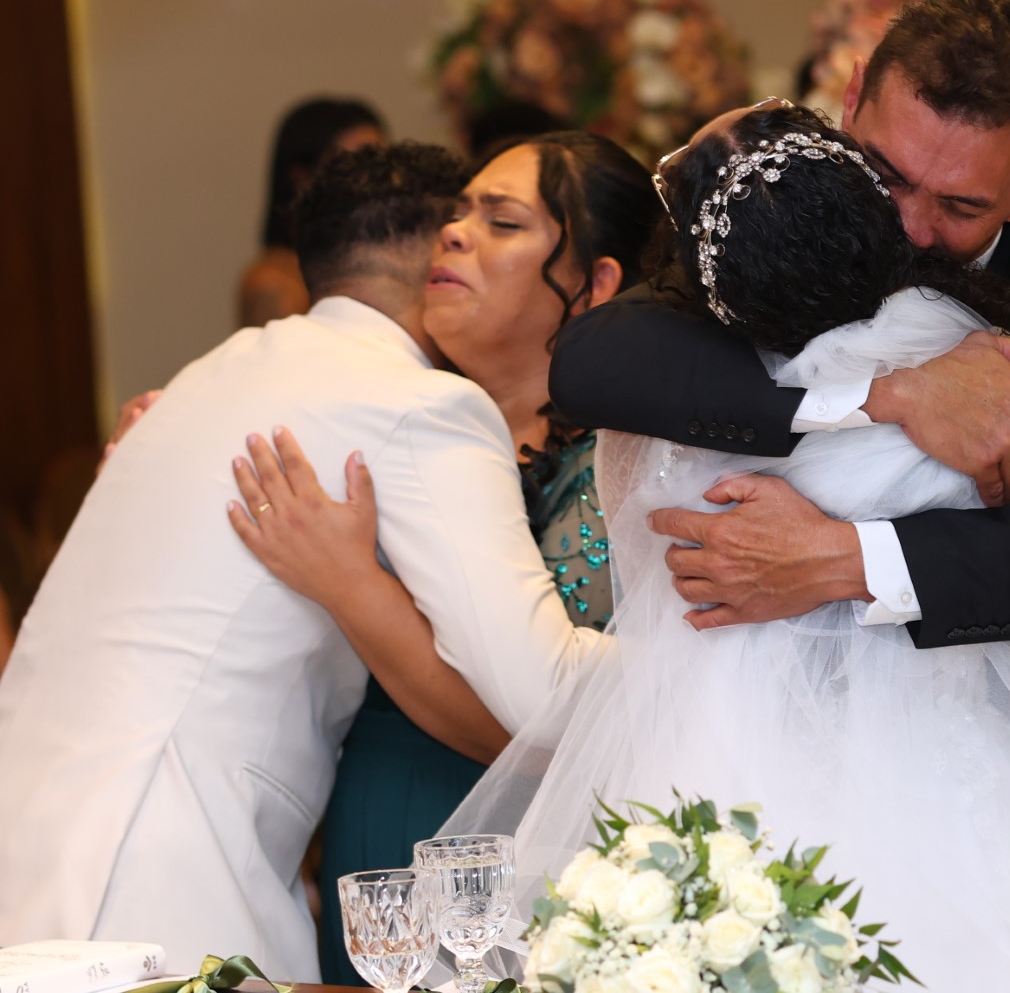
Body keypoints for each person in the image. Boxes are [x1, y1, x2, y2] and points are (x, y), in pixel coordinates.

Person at [426, 100, 1010, 992]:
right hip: (955, 793)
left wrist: (849, 556)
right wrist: (881, 404)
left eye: (958, 202)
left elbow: (643, 559)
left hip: (716, 773)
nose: (921, 223)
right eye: (896, 184)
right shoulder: (998, 377)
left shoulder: (668, 421)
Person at [0, 143, 604, 979]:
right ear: (434, 256)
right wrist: (690, 663)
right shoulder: (417, 402)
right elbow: (541, 697)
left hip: (31, 832)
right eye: (464, 221)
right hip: (161, 863)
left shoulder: (207, 375)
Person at [292, 131, 658, 985]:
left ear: (597, 282)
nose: (452, 232)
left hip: (528, 852)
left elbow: (548, 724)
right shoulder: (380, 416)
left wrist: (355, 589)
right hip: (375, 827)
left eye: (501, 221)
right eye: (457, 213)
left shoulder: (623, 467)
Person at [238, 97, 386, 327]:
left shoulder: (387, 266)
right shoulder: (275, 283)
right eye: (355, 167)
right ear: (302, 177)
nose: (378, 180)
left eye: (383, 164)